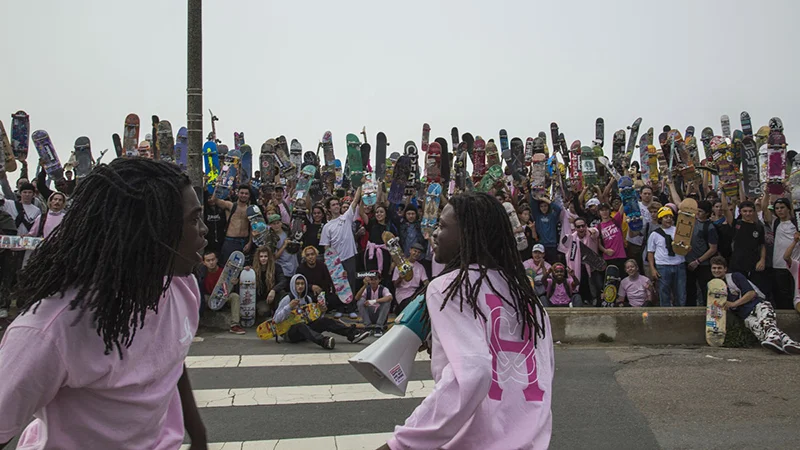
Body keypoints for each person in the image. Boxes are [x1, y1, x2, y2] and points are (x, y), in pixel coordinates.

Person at [0, 159, 208, 449]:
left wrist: (198, 433)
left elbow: (171, 356)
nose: (204, 229)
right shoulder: (49, 331)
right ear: (151, 231)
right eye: (193, 219)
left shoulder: (181, 287)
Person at [384, 192, 553, 450]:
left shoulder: (448, 287)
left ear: (469, 234)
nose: (432, 235)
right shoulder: (528, 298)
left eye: (441, 226)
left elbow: (472, 374)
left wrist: (401, 444)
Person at [710, 256, 800, 354]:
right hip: (746, 316)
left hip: (759, 305)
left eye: (719, 268)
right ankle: (790, 344)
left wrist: (733, 304)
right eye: (714, 268)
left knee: (767, 324)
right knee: (762, 333)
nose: (716, 270)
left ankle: (778, 341)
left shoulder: (735, 277)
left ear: (725, 269)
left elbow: (751, 293)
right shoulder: (713, 286)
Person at [273, 274, 369, 349]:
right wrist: (289, 307)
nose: (300, 286)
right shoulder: (287, 299)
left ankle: (352, 334)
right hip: (289, 333)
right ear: (293, 285)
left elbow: (314, 319)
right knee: (300, 325)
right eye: (297, 284)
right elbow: (276, 319)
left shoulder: (308, 299)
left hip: (305, 329)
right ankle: (324, 341)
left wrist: (322, 311)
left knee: (325, 321)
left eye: (302, 284)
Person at [319, 188, 362, 315]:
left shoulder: (347, 217)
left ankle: (351, 309)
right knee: (338, 285)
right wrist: (330, 262)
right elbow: (326, 247)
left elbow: (355, 201)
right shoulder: (327, 227)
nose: (336, 206)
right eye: (333, 205)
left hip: (349, 256)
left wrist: (359, 184)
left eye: (337, 204)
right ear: (329, 208)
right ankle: (340, 309)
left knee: (351, 282)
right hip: (336, 260)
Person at [647, 206, 686, 306]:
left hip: (679, 264)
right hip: (663, 265)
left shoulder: (678, 231)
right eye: (665, 217)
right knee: (664, 293)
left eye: (670, 217)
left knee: (680, 293)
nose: (668, 219)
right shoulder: (654, 234)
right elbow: (650, 252)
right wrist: (652, 268)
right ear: (660, 219)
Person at [685, 200, 718, 306]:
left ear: (707, 213)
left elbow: (713, 248)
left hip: (703, 264)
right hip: (688, 261)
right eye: (697, 210)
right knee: (689, 289)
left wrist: (698, 261)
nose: (698, 213)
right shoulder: (691, 221)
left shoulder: (710, 227)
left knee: (705, 289)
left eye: (700, 211)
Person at [211, 184, 253, 264]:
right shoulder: (230, 205)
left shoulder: (250, 209)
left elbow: (252, 227)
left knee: (243, 268)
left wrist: (250, 242)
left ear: (249, 195)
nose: (244, 195)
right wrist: (218, 185)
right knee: (228, 267)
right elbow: (214, 200)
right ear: (238, 193)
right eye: (242, 193)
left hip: (244, 242)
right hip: (230, 241)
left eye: (246, 193)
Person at [393, 242, 429, 314]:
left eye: (419, 252)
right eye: (415, 251)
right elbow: (395, 285)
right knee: (413, 306)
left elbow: (425, 281)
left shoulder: (420, 267)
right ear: (410, 250)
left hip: (414, 293)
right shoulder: (401, 264)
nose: (416, 254)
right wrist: (400, 278)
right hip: (403, 294)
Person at [252, 246, 288, 316]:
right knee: (264, 311)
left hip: (274, 296)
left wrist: (273, 290)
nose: (263, 259)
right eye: (261, 256)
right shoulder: (254, 269)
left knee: (283, 294)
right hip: (262, 299)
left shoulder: (276, 267)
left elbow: (283, 281)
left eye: (265, 256)